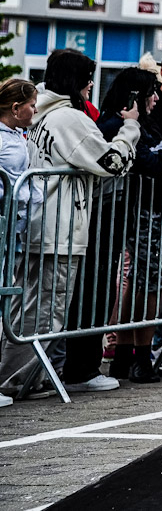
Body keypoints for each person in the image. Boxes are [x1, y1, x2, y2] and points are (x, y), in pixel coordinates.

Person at [60, 65, 162, 386]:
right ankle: (104, 364)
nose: (155, 99)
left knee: (119, 286)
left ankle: (118, 358)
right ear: (135, 97)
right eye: (150, 94)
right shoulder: (118, 124)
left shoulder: (137, 122)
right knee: (125, 286)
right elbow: (152, 163)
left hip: (121, 214)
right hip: (111, 214)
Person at [0, 49, 138, 400]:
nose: (91, 85)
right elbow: (111, 162)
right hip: (58, 230)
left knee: (26, 309)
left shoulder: (39, 115)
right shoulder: (69, 118)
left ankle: (24, 378)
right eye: (88, 78)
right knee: (46, 312)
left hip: (36, 224)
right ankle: (12, 381)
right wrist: (130, 129)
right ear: (77, 81)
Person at [0, 79, 37, 410]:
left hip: (13, 230)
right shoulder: (3, 139)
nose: (35, 111)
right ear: (15, 108)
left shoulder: (17, 136)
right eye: (31, 106)